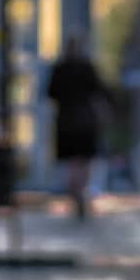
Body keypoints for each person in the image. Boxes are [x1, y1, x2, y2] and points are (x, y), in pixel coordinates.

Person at [47, 36, 113, 218]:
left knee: (72, 162)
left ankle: (75, 191)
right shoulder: (87, 68)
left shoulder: (59, 70)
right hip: (85, 121)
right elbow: (99, 92)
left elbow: (51, 93)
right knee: (85, 160)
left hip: (66, 122)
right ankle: (81, 190)